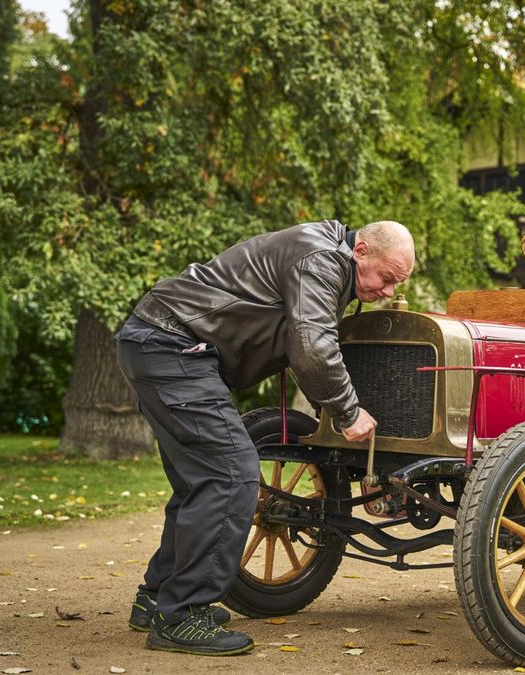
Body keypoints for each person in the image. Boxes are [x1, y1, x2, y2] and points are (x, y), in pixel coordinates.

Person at [115, 219, 415, 656]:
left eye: (396, 283)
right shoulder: (322, 260)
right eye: (386, 278)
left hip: (156, 341)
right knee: (233, 474)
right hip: (172, 346)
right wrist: (347, 411)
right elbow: (311, 346)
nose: (387, 291)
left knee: (198, 482)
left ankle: (158, 598)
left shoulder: (325, 255)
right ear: (362, 251)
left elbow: (300, 340)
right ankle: (180, 616)